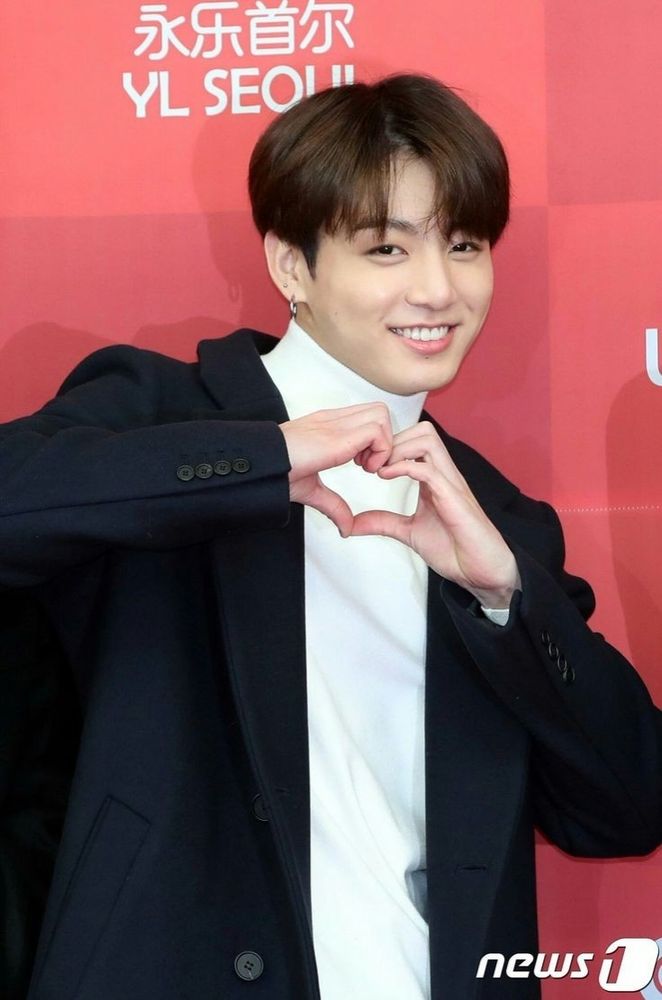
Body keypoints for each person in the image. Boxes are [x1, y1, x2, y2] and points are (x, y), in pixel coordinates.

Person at [1, 74, 660, 1000]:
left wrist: (505, 598)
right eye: (387, 247)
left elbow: (626, 808)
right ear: (291, 266)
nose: (438, 288)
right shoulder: (163, 419)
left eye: (465, 245)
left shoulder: (494, 518)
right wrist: (263, 458)